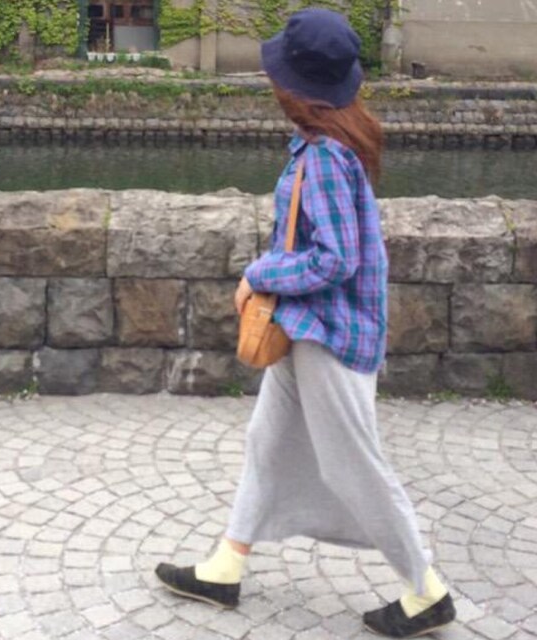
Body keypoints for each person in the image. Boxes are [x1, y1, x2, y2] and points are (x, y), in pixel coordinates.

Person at [155, 8, 456, 638]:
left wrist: (258, 273)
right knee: (267, 441)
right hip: (310, 328)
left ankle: (426, 590)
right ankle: (226, 564)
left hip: (328, 335)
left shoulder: (322, 158)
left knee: (355, 464)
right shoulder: (338, 145)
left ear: (293, 86)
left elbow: (336, 259)